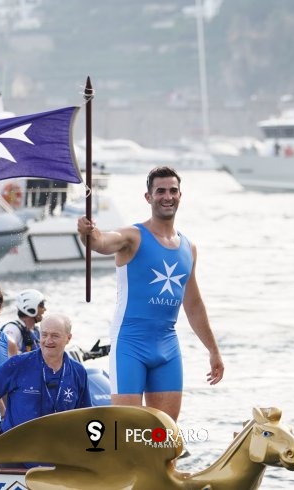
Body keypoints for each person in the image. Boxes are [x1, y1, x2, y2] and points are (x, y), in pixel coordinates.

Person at [76, 166, 224, 421]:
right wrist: (87, 233)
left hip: (167, 346)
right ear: (148, 197)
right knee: (125, 430)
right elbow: (100, 242)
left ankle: (161, 463)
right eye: (160, 191)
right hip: (130, 344)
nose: (167, 196)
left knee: (162, 434)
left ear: (180, 195)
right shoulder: (132, 237)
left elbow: (194, 305)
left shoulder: (190, 248)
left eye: (173, 191)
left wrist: (213, 350)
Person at [0, 314, 92, 456]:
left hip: (59, 457)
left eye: (55, 336)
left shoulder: (78, 372)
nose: (48, 341)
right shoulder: (19, 363)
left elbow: (85, 416)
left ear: (68, 338)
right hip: (15, 457)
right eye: (44, 335)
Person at [1, 288, 45, 355]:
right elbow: (3, 349)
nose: (44, 309)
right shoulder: (13, 328)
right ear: (31, 308)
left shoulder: (37, 331)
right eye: (42, 306)